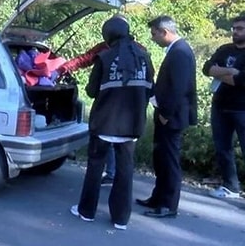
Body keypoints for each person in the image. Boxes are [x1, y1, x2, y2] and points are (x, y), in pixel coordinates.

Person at [70, 15, 154, 230]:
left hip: (105, 123)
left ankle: (86, 211)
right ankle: (120, 219)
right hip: (132, 125)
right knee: (125, 172)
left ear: (107, 36)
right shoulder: (144, 57)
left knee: (95, 168)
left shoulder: (105, 57)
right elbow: (149, 88)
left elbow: (91, 91)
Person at [137, 15, 197, 218]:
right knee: (161, 158)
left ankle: (169, 204)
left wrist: (165, 114)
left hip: (172, 116)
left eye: (154, 34)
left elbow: (179, 88)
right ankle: (158, 197)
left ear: (165, 32)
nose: (152, 38)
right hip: (168, 114)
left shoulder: (180, 52)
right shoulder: (176, 50)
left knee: (169, 160)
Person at [202, 12, 245, 199]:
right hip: (220, 106)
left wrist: (217, 73)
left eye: (240, 29)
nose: (235, 32)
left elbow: (242, 81)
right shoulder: (225, 49)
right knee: (223, 148)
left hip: (242, 108)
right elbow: (206, 68)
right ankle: (231, 187)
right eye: (234, 28)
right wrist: (230, 72)